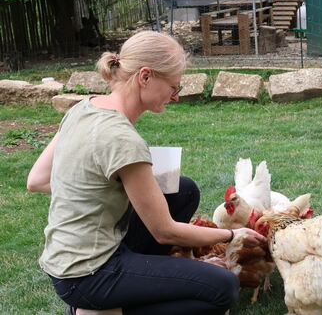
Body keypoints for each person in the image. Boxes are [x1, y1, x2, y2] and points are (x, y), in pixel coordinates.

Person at [26, 31, 266, 315]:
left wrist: (93, 187)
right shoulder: (123, 140)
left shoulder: (83, 107)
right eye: (173, 87)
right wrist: (230, 234)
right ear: (145, 77)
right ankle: (103, 312)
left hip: (67, 259)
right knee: (222, 286)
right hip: (88, 275)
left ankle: (132, 283)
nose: (175, 97)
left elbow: (37, 179)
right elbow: (164, 232)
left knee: (183, 189)